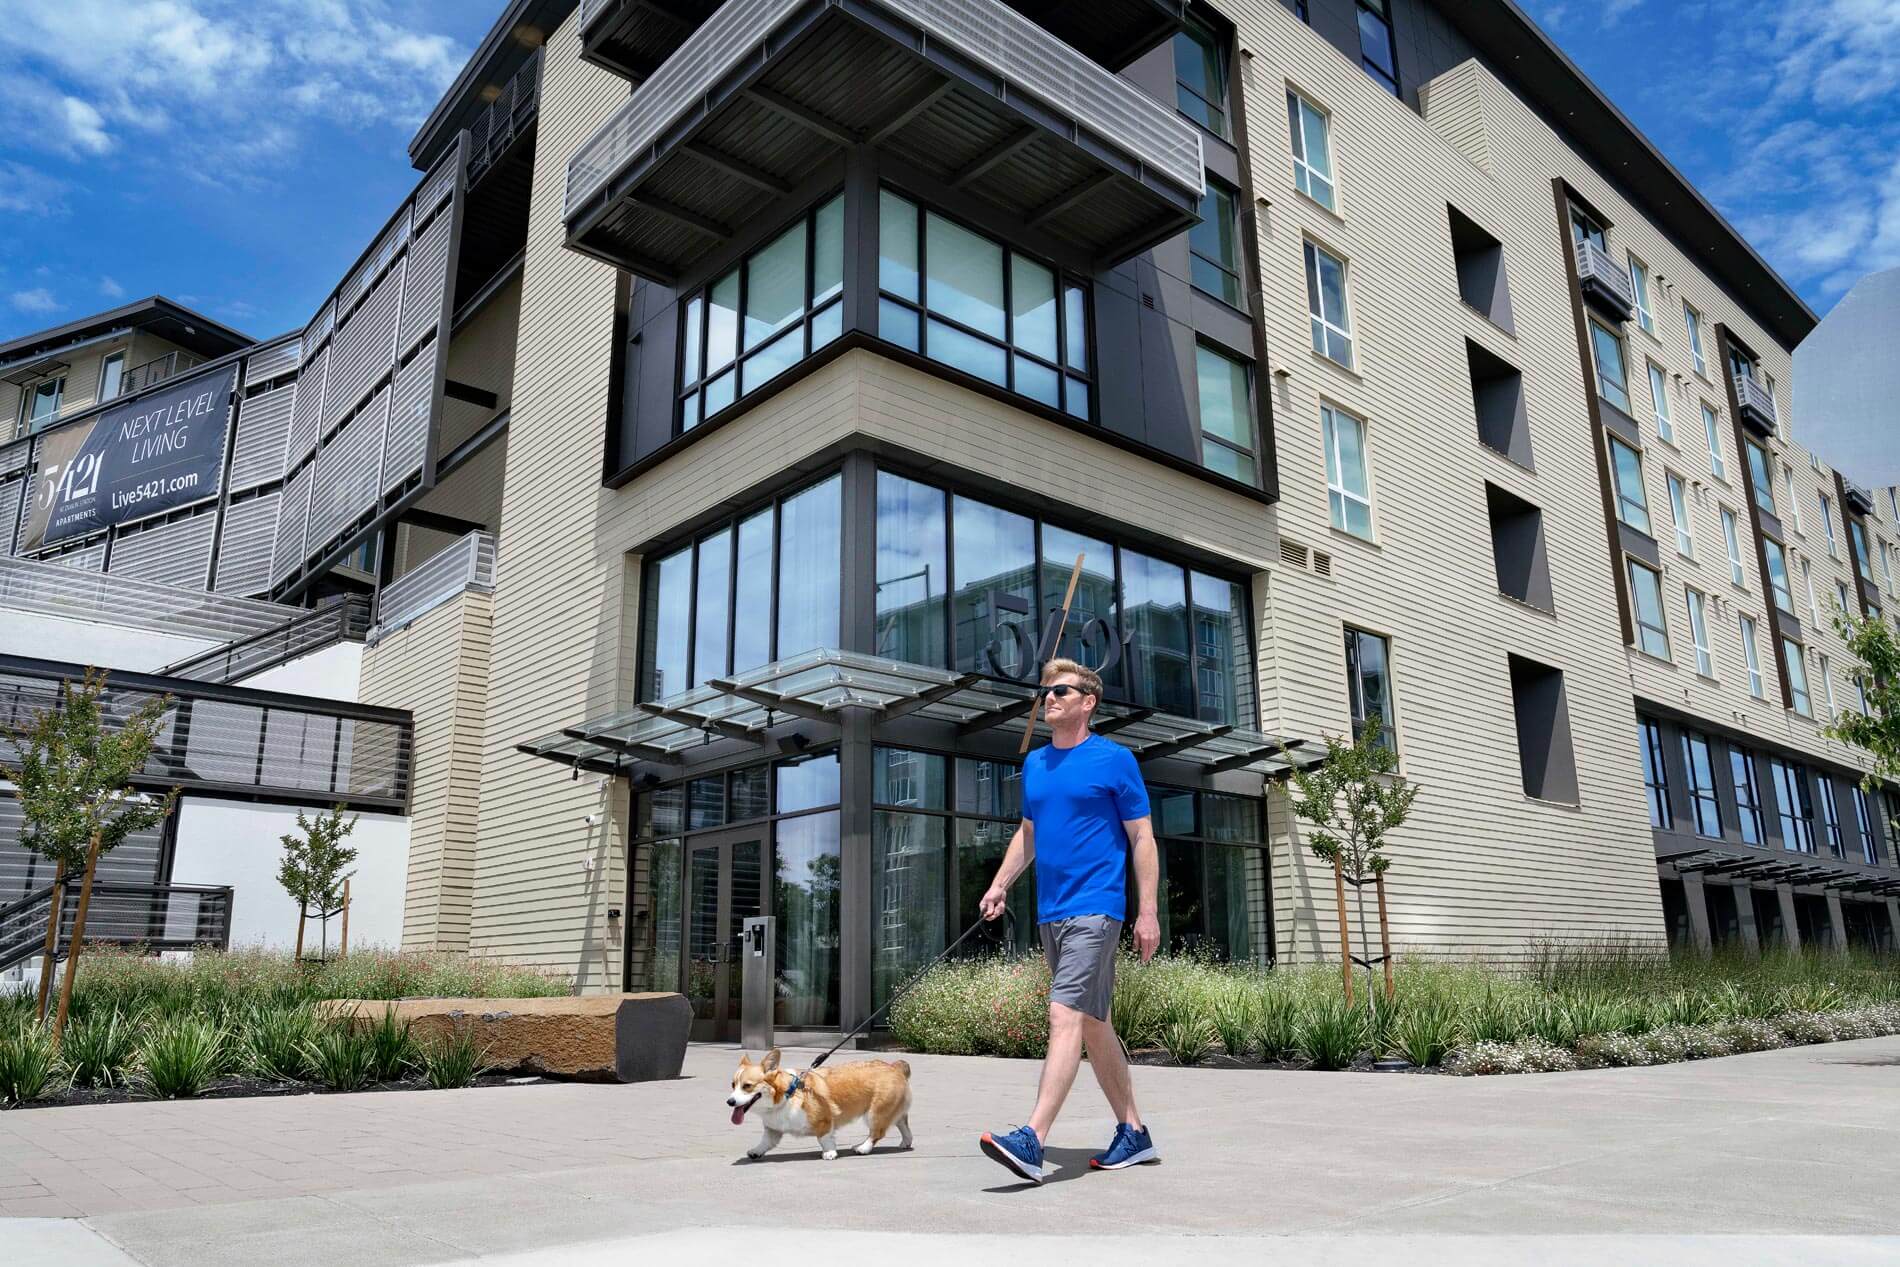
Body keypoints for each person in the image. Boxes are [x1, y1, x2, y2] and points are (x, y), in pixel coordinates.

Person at [977, 657, 1161, 1184]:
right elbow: (1030, 833)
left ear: (1088, 701)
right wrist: (1000, 884)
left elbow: (1142, 837)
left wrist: (1146, 912)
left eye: (1060, 691)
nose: (1048, 699)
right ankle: (1134, 1133)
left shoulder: (1114, 760)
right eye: (1045, 693)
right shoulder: (1035, 765)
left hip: (1097, 906)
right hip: (1051, 911)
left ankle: (1032, 1139)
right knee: (1095, 1025)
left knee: (1064, 1015)